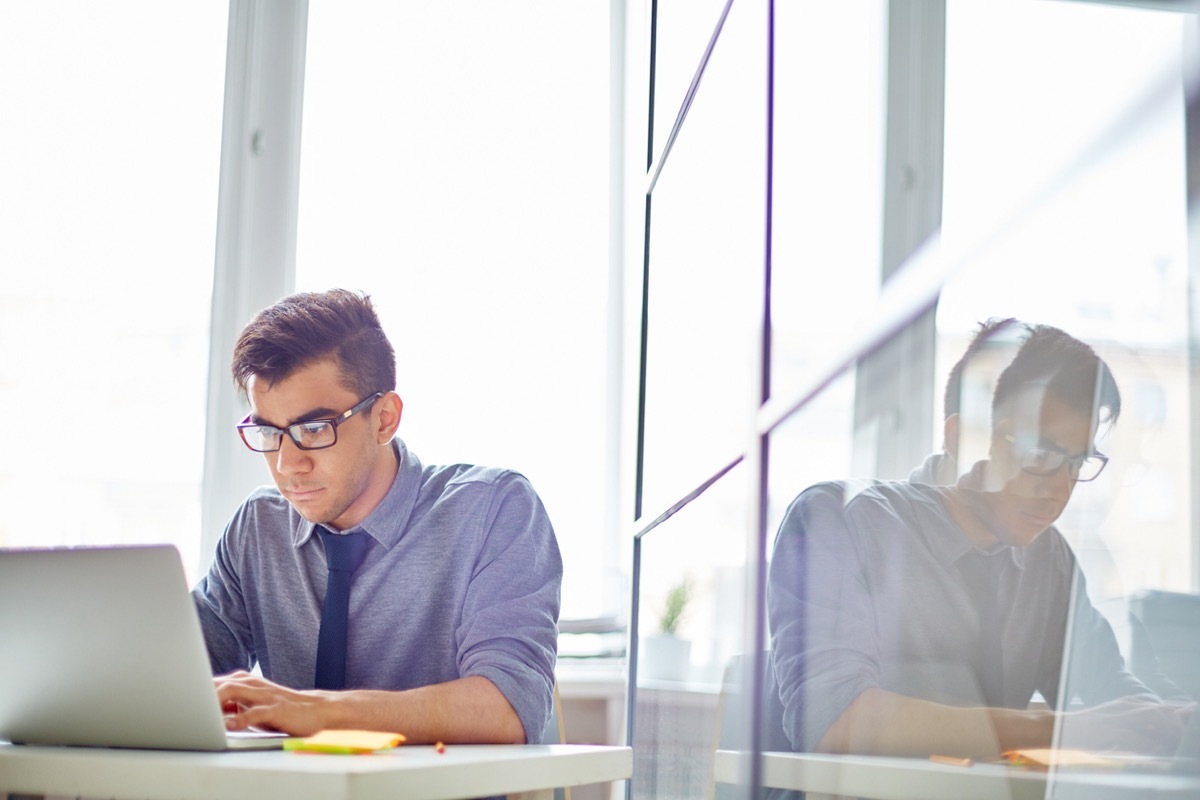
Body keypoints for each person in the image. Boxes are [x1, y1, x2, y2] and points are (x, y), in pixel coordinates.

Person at [768, 322, 1191, 759]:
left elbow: (1113, 695)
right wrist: (1066, 731)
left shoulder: (1049, 558)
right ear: (959, 438)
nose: (1060, 490)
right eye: (1039, 455)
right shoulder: (842, 520)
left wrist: (1171, 723)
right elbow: (835, 722)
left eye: (1077, 462)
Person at [192, 289, 562, 745]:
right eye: (269, 432)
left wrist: (313, 711)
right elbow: (181, 677)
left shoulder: (493, 510)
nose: (287, 464)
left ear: (384, 418)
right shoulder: (258, 528)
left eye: (313, 429)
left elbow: (508, 708)